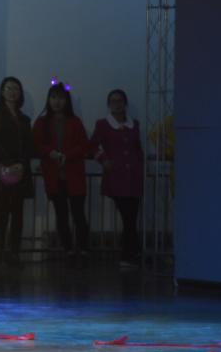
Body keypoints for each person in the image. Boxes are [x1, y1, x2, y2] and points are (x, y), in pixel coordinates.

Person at [89, 89, 145, 269]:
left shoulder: (134, 124)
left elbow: (138, 148)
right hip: (116, 176)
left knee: (132, 217)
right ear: (109, 104)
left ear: (125, 103)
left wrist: (141, 165)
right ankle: (129, 254)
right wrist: (103, 160)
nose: (117, 104)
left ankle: (132, 253)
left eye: (120, 100)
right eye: (113, 101)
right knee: (128, 216)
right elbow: (92, 146)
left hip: (134, 177)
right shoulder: (103, 124)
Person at [33, 81, 89, 260]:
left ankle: (84, 250)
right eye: (53, 97)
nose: (57, 102)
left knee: (79, 215)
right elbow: (36, 144)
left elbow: (84, 145)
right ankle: (69, 250)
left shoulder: (75, 122)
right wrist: (50, 152)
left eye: (61, 98)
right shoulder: (42, 122)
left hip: (74, 175)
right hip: (54, 176)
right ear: (48, 100)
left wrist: (67, 155)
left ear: (67, 101)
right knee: (62, 215)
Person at [0, 76, 33, 267]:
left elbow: (28, 145)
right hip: (0, 168)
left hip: (20, 170)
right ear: (2, 91)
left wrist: (21, 164)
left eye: (16, 89)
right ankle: (0, 250)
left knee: (18, 212)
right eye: (8, 88)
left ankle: (14, 251)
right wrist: (9, 163)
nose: (12, 92)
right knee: (3, 211)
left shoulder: (25, 119)